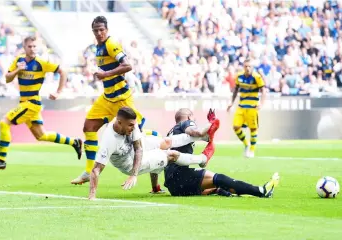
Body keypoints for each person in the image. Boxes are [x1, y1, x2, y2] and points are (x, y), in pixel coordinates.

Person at [0, 36, 82, 170]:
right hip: (25, 103)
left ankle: (1, 160)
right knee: (41, 136)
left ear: (38, 47)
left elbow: (63, 71)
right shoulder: (18, 61)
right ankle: (74, 142)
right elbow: (7, 78)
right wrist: (18, 70)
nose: (32, 49)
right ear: (24, 48)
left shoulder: (41, 63)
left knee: (4, 122)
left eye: (34, 46)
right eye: (29, 46)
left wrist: (58, 92)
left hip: (32, 103)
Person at [71, 16, 145, 185]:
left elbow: (127, 65)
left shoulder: (111, 44)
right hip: (107, 97)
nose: (99, 33)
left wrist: (105, 74)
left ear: (107, 30)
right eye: (96, 30)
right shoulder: (98, 47)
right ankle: (89, 171)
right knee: (88, 127)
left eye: (101, 29)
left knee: (138, 133)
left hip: (121, 99)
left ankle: (150, 152)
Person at [88, 107, 220, 200]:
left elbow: (139, 148)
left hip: (137, 151)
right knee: (171, 154)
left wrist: (154, 187)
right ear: (119, 122)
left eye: (134, 125)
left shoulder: (130, 125)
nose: (134, 128)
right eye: (130, 125)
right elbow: (96, 170)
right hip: (130, 164)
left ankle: (205, 136)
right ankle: (202, 158)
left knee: (166, 142)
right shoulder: (109, 140)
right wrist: (92, 195)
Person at [163, 108, 279, 198]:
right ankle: (261, 191)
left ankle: (219, 191)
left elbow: (206, 137)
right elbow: (197, 132)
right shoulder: (186, 123)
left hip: (173, 187)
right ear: (189, 117)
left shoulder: (171, 133)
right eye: (194, 119)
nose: (194, 121)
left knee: (216, 184)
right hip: (180, 177)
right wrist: (212, 123)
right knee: (220, 179)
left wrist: (155, 187)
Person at [227, 58, 267, 158]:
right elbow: (236, 89)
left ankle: (252, 151)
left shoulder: (257, 77)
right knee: (236, 127)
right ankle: (246, 144)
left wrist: (261, 103)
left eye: (249, 66)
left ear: (252, 67)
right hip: (241, 106)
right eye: (246, 66)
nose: (247, 68)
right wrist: (231, 103)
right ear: (243, 67)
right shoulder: (239, 76)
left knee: (253, 129)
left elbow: (264, 90)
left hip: (252, 107)